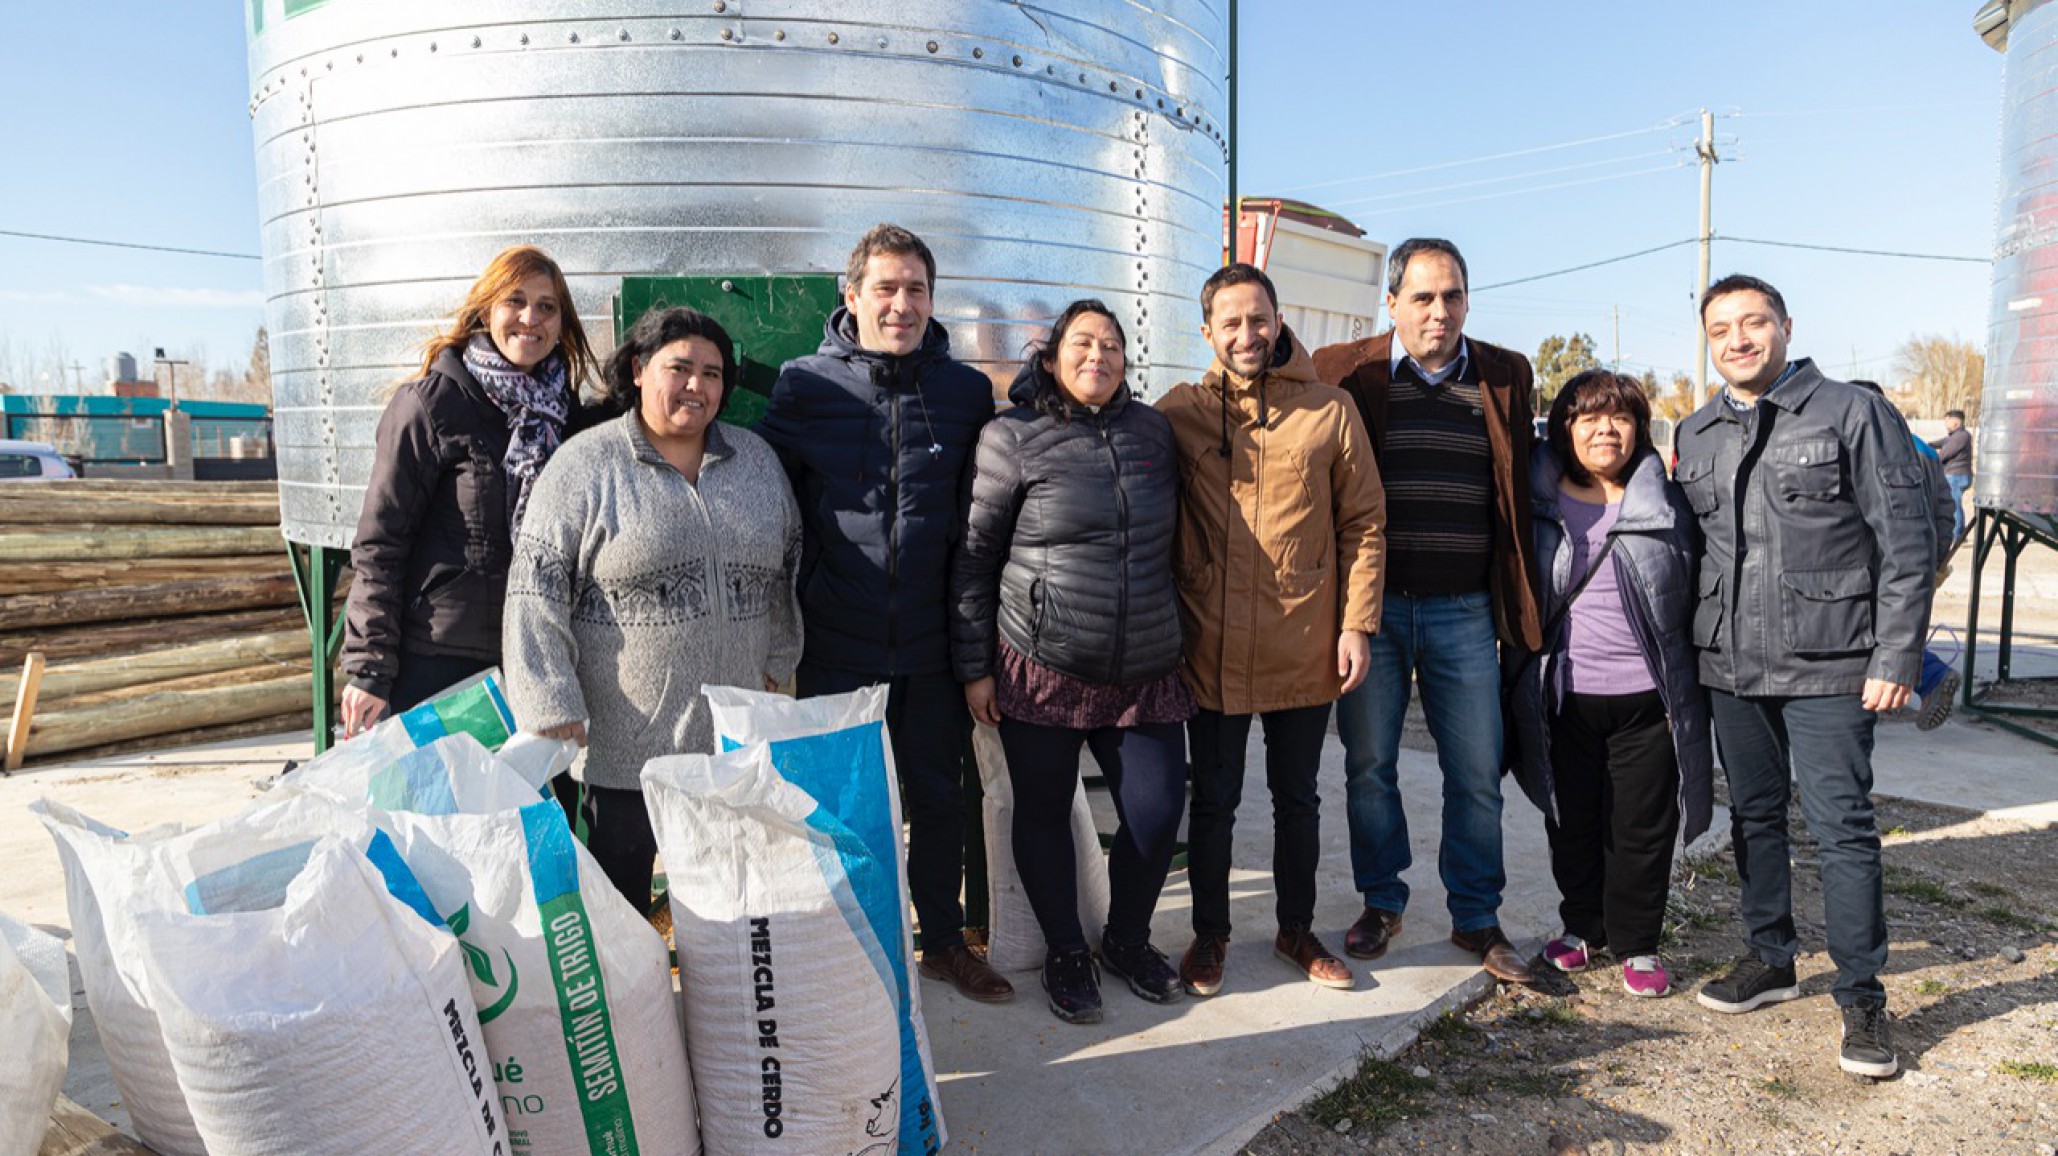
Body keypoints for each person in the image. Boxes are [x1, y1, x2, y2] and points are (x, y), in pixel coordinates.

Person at [1676, 274, 1934, 1078]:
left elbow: (1908, 542)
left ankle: (1861, 997)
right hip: (1729, 665)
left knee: (1841, 829)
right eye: (1722, 329)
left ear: (1786, 326)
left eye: (1754, 323)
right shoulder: (1696, 430)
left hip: (1831, 664)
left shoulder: (1851, 412)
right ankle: (1771, 958)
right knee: (1753, 818)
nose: (1739, 340)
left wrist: (1895, 656)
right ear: (1709, 341)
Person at [757, 224, 1011, 1003]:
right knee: (841, 807)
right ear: (852, 294)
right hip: (837, 640)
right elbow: (770, 503)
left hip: (932, 645)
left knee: (937, 799)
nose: (902, 305)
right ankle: (847, 949)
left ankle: (942, 942)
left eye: (917, 290)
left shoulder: (965, 392)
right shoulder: (806, 386)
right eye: (886, 288)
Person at [502, 307, 801, 910]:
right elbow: (534, 586)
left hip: (728, 750)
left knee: (729, 913)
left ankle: (714, 1009)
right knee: (626, 915)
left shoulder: (756, 461)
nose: (698, 385)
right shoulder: (586, 465)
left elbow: (788, 563)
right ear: (638, 370)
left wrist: (780, 653)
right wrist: (549, 698)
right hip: (624, 751)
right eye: (681, 368)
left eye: (713, 374)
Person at [950, 300, 1193, 1024]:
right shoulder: (1012, 435)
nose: (1099, 355)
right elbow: (973, 559)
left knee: (1155, 816)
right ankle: (1065, 949)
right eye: (1083, 343)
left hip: (1145, 666)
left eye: (1112, 344)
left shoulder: (1155, 432)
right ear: (1051, 356)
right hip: (1042, 664)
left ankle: (1124, 940)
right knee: (1045, 812)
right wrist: (975, 665)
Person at [1312, 238, 1544, 985]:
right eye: (1421, 297)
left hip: (1465, 611)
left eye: (1451, 296)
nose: (1437, 311)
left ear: (1468, 301)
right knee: (1369, 765)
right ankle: (1382, 900)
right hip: (1370, 613)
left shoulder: (1506, 376)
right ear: (1392, 304)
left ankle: (1476, 915)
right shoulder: (1345, 370)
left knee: (1476, 771)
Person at [1158, 262, 1385, 997]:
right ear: (1208, 332)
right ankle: (1211, 936)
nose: (1247, 334)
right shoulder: (1179, 411)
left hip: (1303, 638)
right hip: (1211, 640)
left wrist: (1357, 624)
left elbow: (1364, 522)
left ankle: (1296, 929)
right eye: (1231, 322)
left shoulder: (1330, 410)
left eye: (1259, 319)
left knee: (1299, 797)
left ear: (1279, 321)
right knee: (1214, 801)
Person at [1507, 370, 1713, 1000]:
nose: (1605, 430)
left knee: (1640, 824)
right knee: (1571, 819)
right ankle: (1581, 927)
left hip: (1646, 700)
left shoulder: (1668, 504)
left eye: (1620, 418)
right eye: (1589, 417)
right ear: (1564, 426)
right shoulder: (1535, 501)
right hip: (1564, 696)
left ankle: (1638, 943)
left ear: (1640, 429)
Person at [341, 245, 596, 735]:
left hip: (538, 657)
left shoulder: (564, 415)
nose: (530, 318)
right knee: (449, 810)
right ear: (486, 310)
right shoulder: (432, 405)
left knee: (536, 810)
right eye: (515, 301)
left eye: (547, 307)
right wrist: (370, 669)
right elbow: (380, 545)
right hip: (443, 663)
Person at [1929, 409, 1973, 546]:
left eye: (1947, 420)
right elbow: (1939, 442)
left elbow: (1944, 454)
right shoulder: (1955, 436)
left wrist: (1930, 458)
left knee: (1954, 505)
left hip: (1957, 475)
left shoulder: (1961, 437)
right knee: (1955, 504)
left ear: (1955, 422)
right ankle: (1960, 533)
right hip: (1955, 475)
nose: (1945, 423)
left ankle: (1958, 535)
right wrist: (1927, 445)